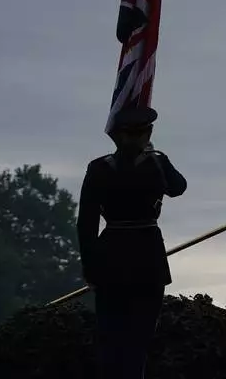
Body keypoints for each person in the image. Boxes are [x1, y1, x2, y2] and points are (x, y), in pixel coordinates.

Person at [77, 105, 187, 379]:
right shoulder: (157, 163)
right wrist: (156, 156)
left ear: (118, 135)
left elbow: (87, 224)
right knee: (139, 340)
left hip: (110, 259)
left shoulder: (99, 168)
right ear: (148, 133)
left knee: (110, 337)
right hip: (148, 259)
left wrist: (90, 267)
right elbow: (178, 187)